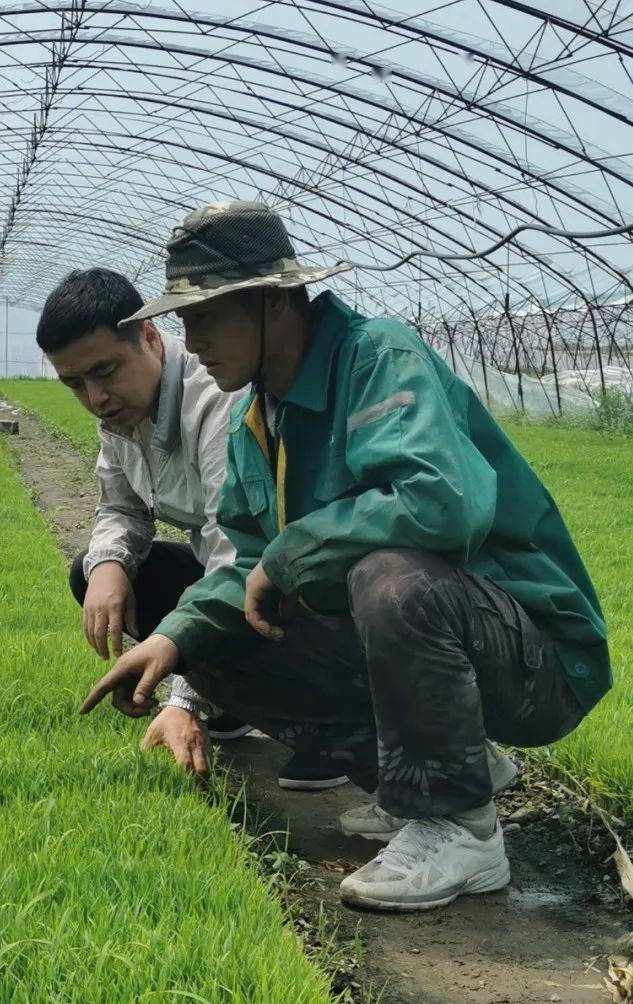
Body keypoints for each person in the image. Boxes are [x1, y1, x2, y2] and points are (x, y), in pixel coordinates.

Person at [80, 201, 611, 912]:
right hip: (443, 646)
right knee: (213, 635)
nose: (191, 339)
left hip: (536, 657)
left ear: (270, 301)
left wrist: (293, 552)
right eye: (183, 320)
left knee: (389, 576)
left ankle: (460, 829)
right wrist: (172, 642)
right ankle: (412, 788)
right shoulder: (259, 417)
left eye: (204, 316)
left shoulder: (376, 357)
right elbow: (245, 563)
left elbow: (439, 504)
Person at [36, 267, 351, 789]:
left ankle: (332, 728)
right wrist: (109, 565)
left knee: (247, 595)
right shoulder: (119, 413)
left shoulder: (217, 400)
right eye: (76, 384)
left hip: (290, 581)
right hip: (230, 574)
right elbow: (120, 506)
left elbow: (239, 556)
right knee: (96, 573)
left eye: (105, 371)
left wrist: (182, 697)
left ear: (151, 339)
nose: (96, 397)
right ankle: (235, 703)